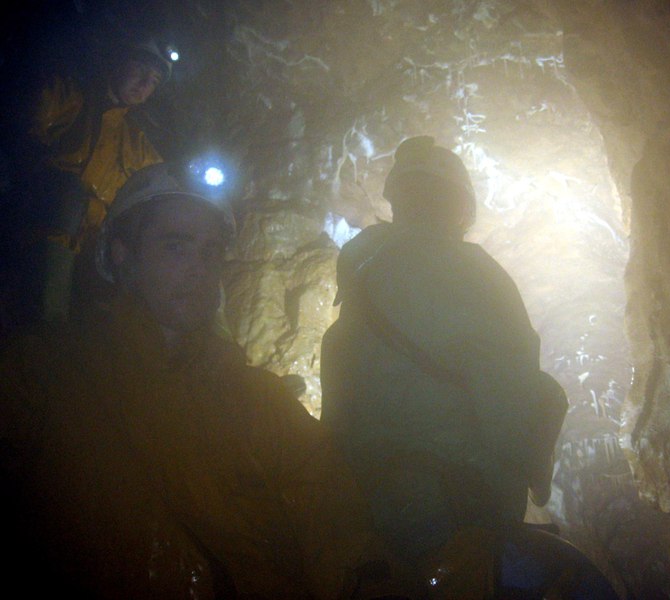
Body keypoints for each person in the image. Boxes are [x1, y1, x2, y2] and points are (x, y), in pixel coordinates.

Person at [0, 161, 410, 599]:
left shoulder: (255, 398)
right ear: (121, 253)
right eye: (176, 247)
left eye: (210, 252)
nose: (198, 269)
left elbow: (333, 510)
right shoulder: (40, 375)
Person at [320, 136, 605, 598]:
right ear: (460, 207)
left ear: (397, 199)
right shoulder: (477, 276)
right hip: (455, 509)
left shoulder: (360, 277)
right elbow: (511, 399)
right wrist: (528, 478)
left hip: (366, 509)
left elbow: (337, 407)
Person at [2, 35, 169, 328]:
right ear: (119, 63)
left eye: (154, 81)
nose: (145, 84)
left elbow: (163, 186)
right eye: (141, 70)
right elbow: (23, 114)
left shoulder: (137, 143)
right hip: (36, 221)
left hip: (91, 246)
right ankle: (44, 322)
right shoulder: (71, 99)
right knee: (69, 194)